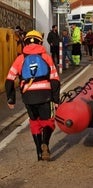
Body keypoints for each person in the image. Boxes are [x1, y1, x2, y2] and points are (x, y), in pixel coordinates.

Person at [5, 30, 60, 161]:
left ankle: (39, 153)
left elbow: (9, 80)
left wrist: (11, 99)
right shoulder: (46, 57)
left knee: (34, 122)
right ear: (40, 42)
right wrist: (56, 99)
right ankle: (45, 143)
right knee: (49, 121)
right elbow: (54, 79)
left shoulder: (20, 58)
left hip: (28, 97)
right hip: (45, 95)